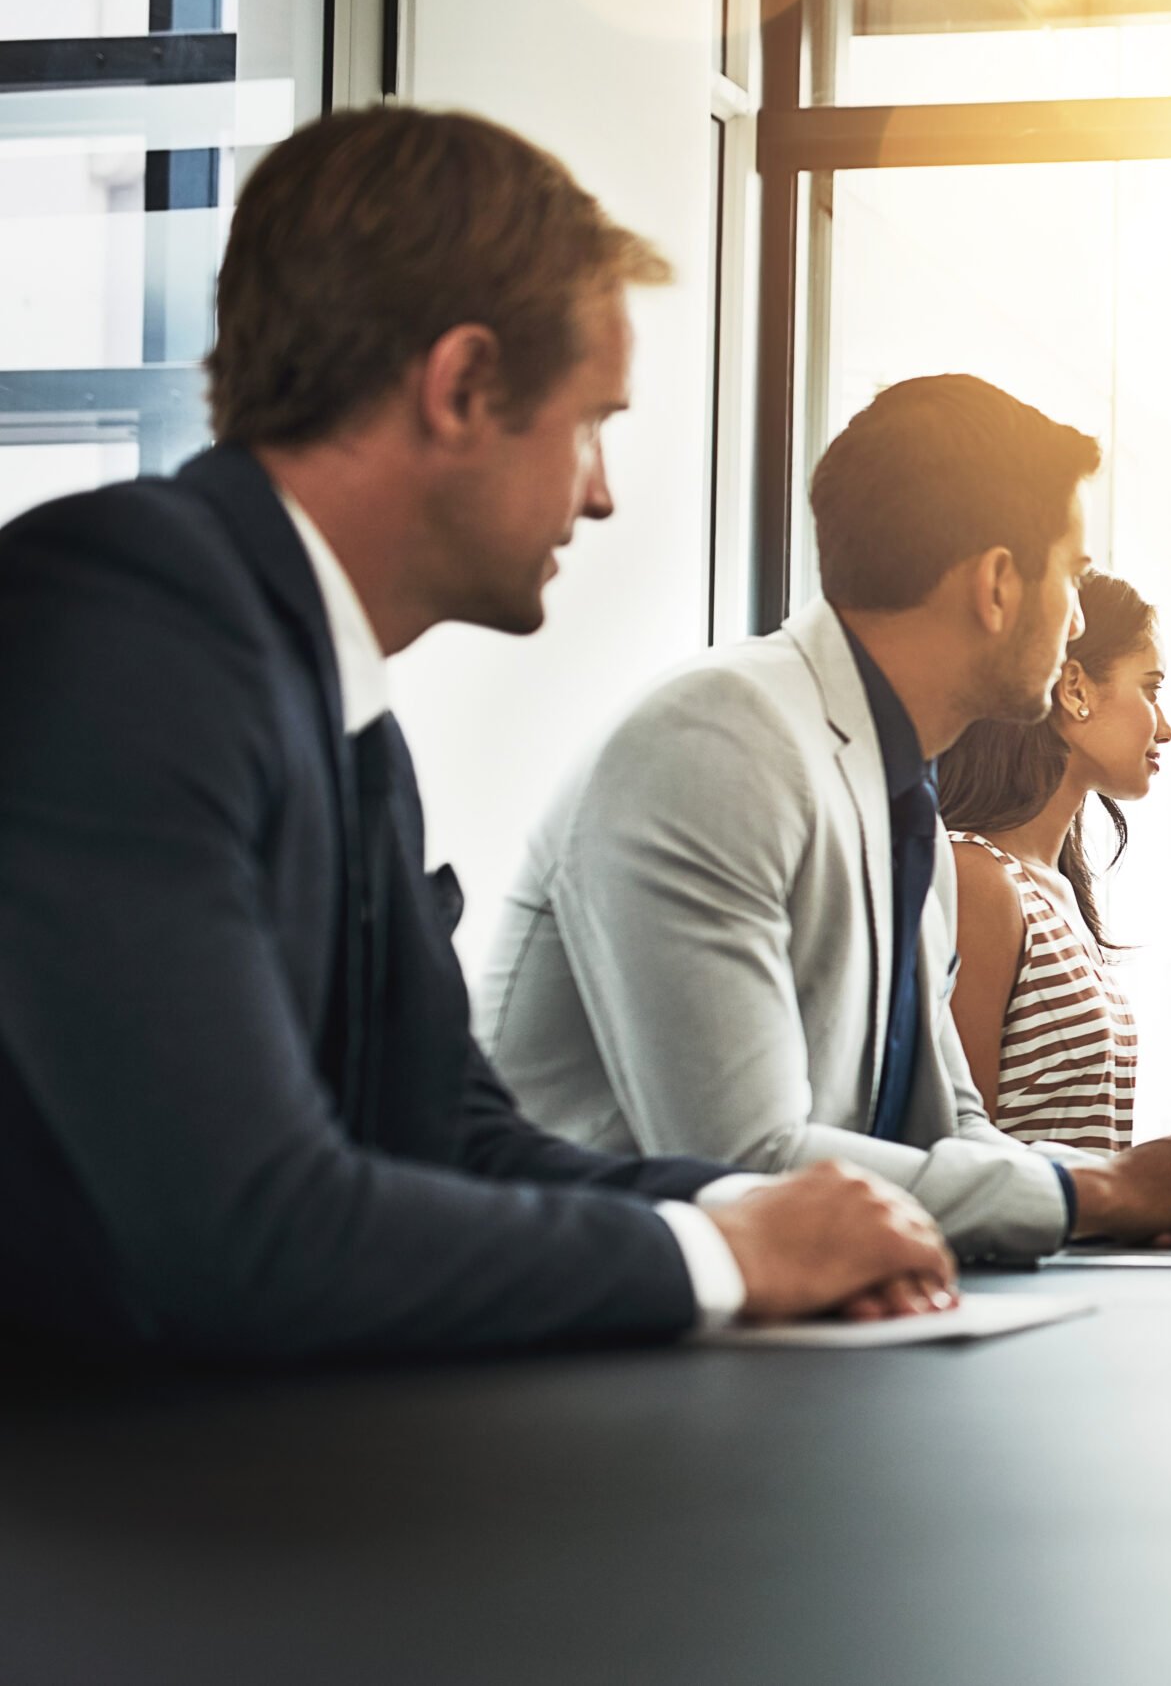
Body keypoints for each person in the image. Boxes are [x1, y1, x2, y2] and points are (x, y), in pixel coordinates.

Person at [0, 107, 955, 1360]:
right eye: (591, 422)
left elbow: (452, 1138)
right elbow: (246, 1232)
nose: (602, 490)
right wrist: (727, 1260)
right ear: (458, 388)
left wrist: (751, 1210)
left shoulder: (337, 715)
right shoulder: (123, 622)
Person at [479, 375, 1171, 1258]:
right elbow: (745, 1164)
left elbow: (951, 1131)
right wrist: (1107, 1187)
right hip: (602, 1348)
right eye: (1073, 578)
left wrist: (1162, 1194)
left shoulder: (905, 810)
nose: (1078, 614)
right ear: (999, 585)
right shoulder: (717, 741)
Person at [936, 573, 1171, 1187]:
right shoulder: (977, 880)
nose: (1165, 727)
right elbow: (964, 1160)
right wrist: (1162, 1182)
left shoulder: (1057, 890)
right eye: (1150, 690)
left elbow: (1055, 1145)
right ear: (1075, 689)